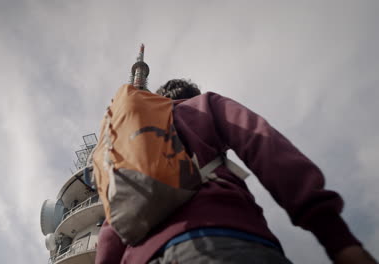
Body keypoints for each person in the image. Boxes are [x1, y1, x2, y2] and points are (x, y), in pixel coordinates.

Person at [95, 79, 376, 264]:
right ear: (191, 96)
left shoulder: (133, 146)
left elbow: (112, 224)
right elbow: (266, 146)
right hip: (226, 240)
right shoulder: (203, 106)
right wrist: (336, 237)